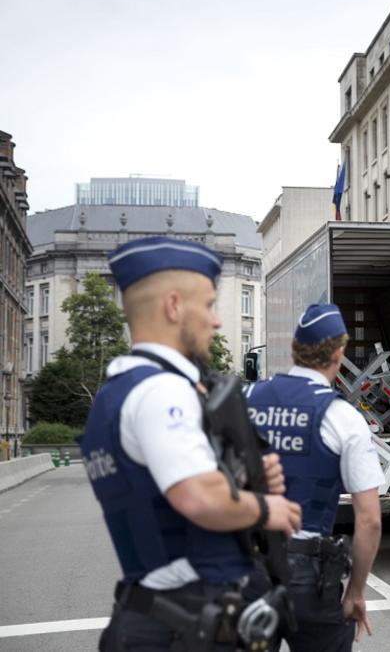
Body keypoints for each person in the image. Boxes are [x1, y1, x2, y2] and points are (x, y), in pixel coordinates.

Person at [80, 236, 302, 651]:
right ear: (174, 305)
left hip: (153, 614)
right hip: (184, 625)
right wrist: (264, 507)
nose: (216, 321)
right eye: (210, 305)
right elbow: (197, 498)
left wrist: (241, 479)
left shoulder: (116, 392)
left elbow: (156, 494)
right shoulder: (164, 391)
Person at [244, 303, 384, 651]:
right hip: (308, 576)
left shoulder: (245, 399)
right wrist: (355, 591)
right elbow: (369, 520)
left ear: (294, 349)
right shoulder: (342, 417)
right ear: (339, 353)